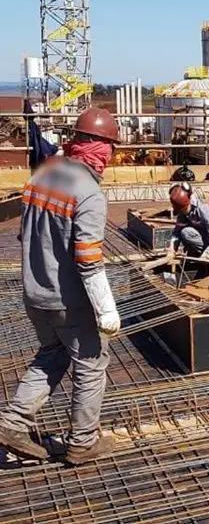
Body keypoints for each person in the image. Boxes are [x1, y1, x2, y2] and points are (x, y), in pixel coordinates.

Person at [0, 107, 122, 465]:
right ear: (101, 147)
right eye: (110, 148)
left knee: (53, 354)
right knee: (91, 364)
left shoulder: (44, 174)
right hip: (68, 300)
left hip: (34, 292)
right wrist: (106, 309)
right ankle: (83, 442)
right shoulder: (89, 193)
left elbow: (25, 235)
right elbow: (88, 258)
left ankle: (13, 422)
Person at [168, 182, 209, 259]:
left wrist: (205, 257)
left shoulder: (204, 210)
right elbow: (177, 232)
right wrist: (171, 250)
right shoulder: (182, 211)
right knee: (186, 232)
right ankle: (195, 253)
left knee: (186, 232)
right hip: (204, 237)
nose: (182, 213)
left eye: (183, 210)